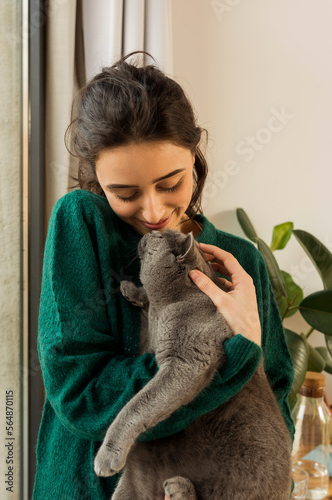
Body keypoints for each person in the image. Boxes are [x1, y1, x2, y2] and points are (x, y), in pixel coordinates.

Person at [32, 50, 294, 500]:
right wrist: (233, 355)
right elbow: (84, 396)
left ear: (195, 156)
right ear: (95, 177)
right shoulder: (81, 223)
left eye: (171, 183)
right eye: (125, 193)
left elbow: (275, 405)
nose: (153, 211)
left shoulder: (240, 260)